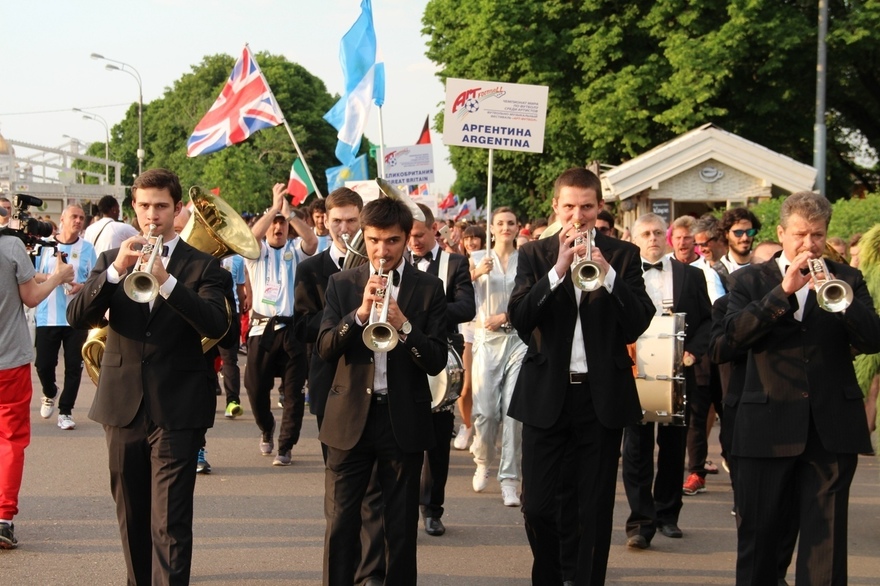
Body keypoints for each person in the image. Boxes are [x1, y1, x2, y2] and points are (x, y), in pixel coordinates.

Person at [66, 168, 228, 584]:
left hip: (178, 406)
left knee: (170, 522)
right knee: (132, 517)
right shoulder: (110, 261)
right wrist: (117, 271)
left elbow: (216, 324)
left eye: (161, 206)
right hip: (122, 405)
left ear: (178, 210)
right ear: (133, 208)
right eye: (144, 206)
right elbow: (76, 315)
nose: (152, 215)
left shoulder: (205, 266)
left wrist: (167, 281)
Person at [724, 191, 880, 585]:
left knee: (825, 546)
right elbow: (725, 343)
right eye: (800, 234)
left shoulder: (847, 279)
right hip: (765, 427)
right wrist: (782, 294)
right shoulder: (748, 280)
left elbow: (873, 339)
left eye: (817, 235)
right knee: (760, 541)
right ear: (781, 232)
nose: (808, 244)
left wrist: (843, 304)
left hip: (830, 428)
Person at [508, 167, 654, 585]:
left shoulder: (623, 255)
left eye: (586, 207)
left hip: (600, 398)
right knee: (536, 506)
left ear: (599, 207)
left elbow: (638, 322)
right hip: (545, 396)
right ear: (555, 207)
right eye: (569, 206)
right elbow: (521, 318)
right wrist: (558, 270)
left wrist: (606, 272)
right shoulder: (535, 255)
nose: (578, 216)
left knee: (592, 510)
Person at [317, 196, 447, 585]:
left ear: (407, 239)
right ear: (363, 238)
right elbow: (325, 348)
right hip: (349, 420)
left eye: (392, 241)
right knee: (341, 522)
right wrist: (358, 316)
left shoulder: (429, 288)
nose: (382, 250)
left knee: (400, 527)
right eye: (373, 240)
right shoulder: (341, 284)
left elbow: (436, 360)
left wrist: (403, 324)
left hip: (402, 419)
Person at [622, 213, 711, 549]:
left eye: (659, 232)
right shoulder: (624, 276)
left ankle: (668, 515)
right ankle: (640, 522)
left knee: (673, 447)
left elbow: (707, 322)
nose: (653, 238)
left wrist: (694, 353)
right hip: (635, 370)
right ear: (635, 239)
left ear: (669, 236)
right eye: (646, 233)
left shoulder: (691, 276)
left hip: (677, 372)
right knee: (636, 448)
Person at [1, 227, 74, 549]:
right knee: (10, 440)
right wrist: (58, 277)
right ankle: (3, 519)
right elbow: (30, 297)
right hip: (9, 362)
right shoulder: (11, 246)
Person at [409, 203, 475, 535]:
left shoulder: (455, 263)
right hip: (404, 355)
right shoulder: (397, 259)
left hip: (443, 358)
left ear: (434, 229)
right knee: (403, 436)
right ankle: (403, 506)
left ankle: (432, 508)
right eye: (408, 235)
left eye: (419, 235)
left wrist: (429, 315)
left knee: (437, 439)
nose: (413, 241)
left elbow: (467, 306)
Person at [243, 183, 317, 466]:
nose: (278, 228)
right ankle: (266, 428)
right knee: (255, 387)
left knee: (294, 391)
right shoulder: (256, 253)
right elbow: (250, 236)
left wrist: (291, 214)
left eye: (282, 224)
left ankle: (286, 446)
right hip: (262, 330)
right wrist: (274, 208)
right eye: (274, 224)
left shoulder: (296, 251)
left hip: (292, 331)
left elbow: (311, 242)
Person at [469, 206, 528, 506]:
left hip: (518, 340)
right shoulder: (478, 258)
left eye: (511, 223)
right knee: (487, 412)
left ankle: (509, 479)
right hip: (486, 341)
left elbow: (531, 299)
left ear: (518, 227)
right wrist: (477, 273)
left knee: (513, 412)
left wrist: (506, 316)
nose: (506, 227)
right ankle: (483, 461)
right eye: (500, 223)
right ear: (491, 228)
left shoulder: (526, 260)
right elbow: (463, 294)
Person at [33, 205, 97, 430]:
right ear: (62, 219)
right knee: (43, 365)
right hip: (47, 315)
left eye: (82, 218)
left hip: (75, 317)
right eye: (74, 217)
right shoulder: (45, 245)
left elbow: (94, 279)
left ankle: (65, 411)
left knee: (73, 366)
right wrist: (54, 278)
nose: (78, 221)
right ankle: (49, 392)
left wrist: (81, 286)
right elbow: (31, 274)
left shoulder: (88, 248)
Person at [453, 224, 487, 450]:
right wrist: (477, 272)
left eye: (476, 238)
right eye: (468, 239)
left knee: (485, 386)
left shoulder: (491, 258)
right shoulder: (459, 263)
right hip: (467, 329)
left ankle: (482, 431)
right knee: (466, 385)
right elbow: (459, 286)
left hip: (488, 327)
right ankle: (466, 426)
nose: (472, 242)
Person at [714, 207, 761, 290]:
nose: (745, 238)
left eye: (749, 232)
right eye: (738, 233)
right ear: (726, 234)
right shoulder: (717, 272)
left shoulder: (763, 264)